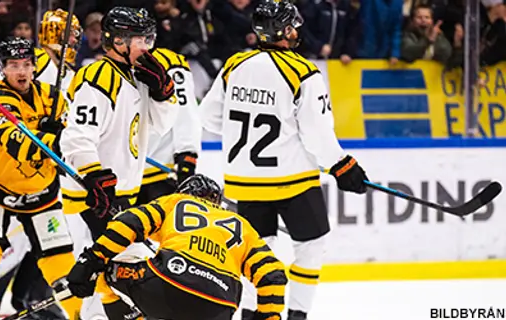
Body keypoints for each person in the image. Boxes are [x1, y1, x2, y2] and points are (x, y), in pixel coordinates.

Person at [198, 1, 369, 319]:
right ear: (281, 31)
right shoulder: (303, 71)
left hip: (244, 182)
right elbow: (318, 135)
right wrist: (342, 165)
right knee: (312, 244)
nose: (297, 31)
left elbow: (208, 117)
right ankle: (297, 314)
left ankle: (250, 313)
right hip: (292, 182)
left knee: (256, 252)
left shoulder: (235, 64)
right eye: (292, 26)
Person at [59, 5, 178, 318]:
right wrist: (94, 176)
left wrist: (163, 91)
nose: (148, 47)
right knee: (114, 283)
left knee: (112, 285)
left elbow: (161, 127)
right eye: (141, 39)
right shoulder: (98, 76)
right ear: (119, 41)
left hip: (119, 195)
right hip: (91, 198)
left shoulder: (136, 77)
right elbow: (76, 137)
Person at [0, 36, 82, 320]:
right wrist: (56, 137)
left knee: (63, 270)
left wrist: (64, 138)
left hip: (39, 191)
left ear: (35, 66)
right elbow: (19, 145)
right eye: (13, 65)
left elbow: (75, 138)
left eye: (26, 64)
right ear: (2, 68)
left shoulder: (54, 97)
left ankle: (80, 316)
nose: (21, 71)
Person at [66, 174, 288, 320]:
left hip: (168, 282)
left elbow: (129, 223)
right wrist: (269, 317)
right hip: (220, 305)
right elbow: (273, 275)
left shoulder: (175, 202)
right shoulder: (241, 225)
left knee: (105, 274)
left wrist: (93, 260)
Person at [136, 46, 201, 205]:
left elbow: (185, 112)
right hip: (123, 174)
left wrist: (187, 156)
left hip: (161, 171)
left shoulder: (169, 62)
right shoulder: (111, 65)